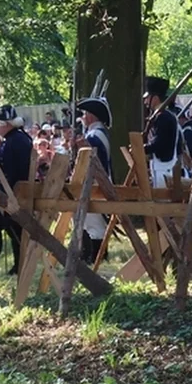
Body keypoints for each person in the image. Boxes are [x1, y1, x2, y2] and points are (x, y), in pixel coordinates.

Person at [0, 105, 33, 277]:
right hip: (4, 191)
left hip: (9, 193)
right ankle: (11, 265)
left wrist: (4, 194)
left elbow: (12, 171)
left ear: (8, 124)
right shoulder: (13, 139)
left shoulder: (16, 140)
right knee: (8, 228)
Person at [76, 91, 113, 263]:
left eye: (85, 114)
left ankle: (98, 257)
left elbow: (91, 161)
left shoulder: (94, 136)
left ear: (91, 116)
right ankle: (90, 256)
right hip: (96, 181)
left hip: (96, 182)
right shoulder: (96, 134)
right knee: (89, 222)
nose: (83, 117)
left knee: (94, 223)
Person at [143, 76, 181, 188]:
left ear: (155, 98)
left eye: (147, 97)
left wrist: (141, 148)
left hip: (164, 169)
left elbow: (158, 144)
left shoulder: (164, 117)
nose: (145, 101)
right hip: (160, 167)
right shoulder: (163, 116)